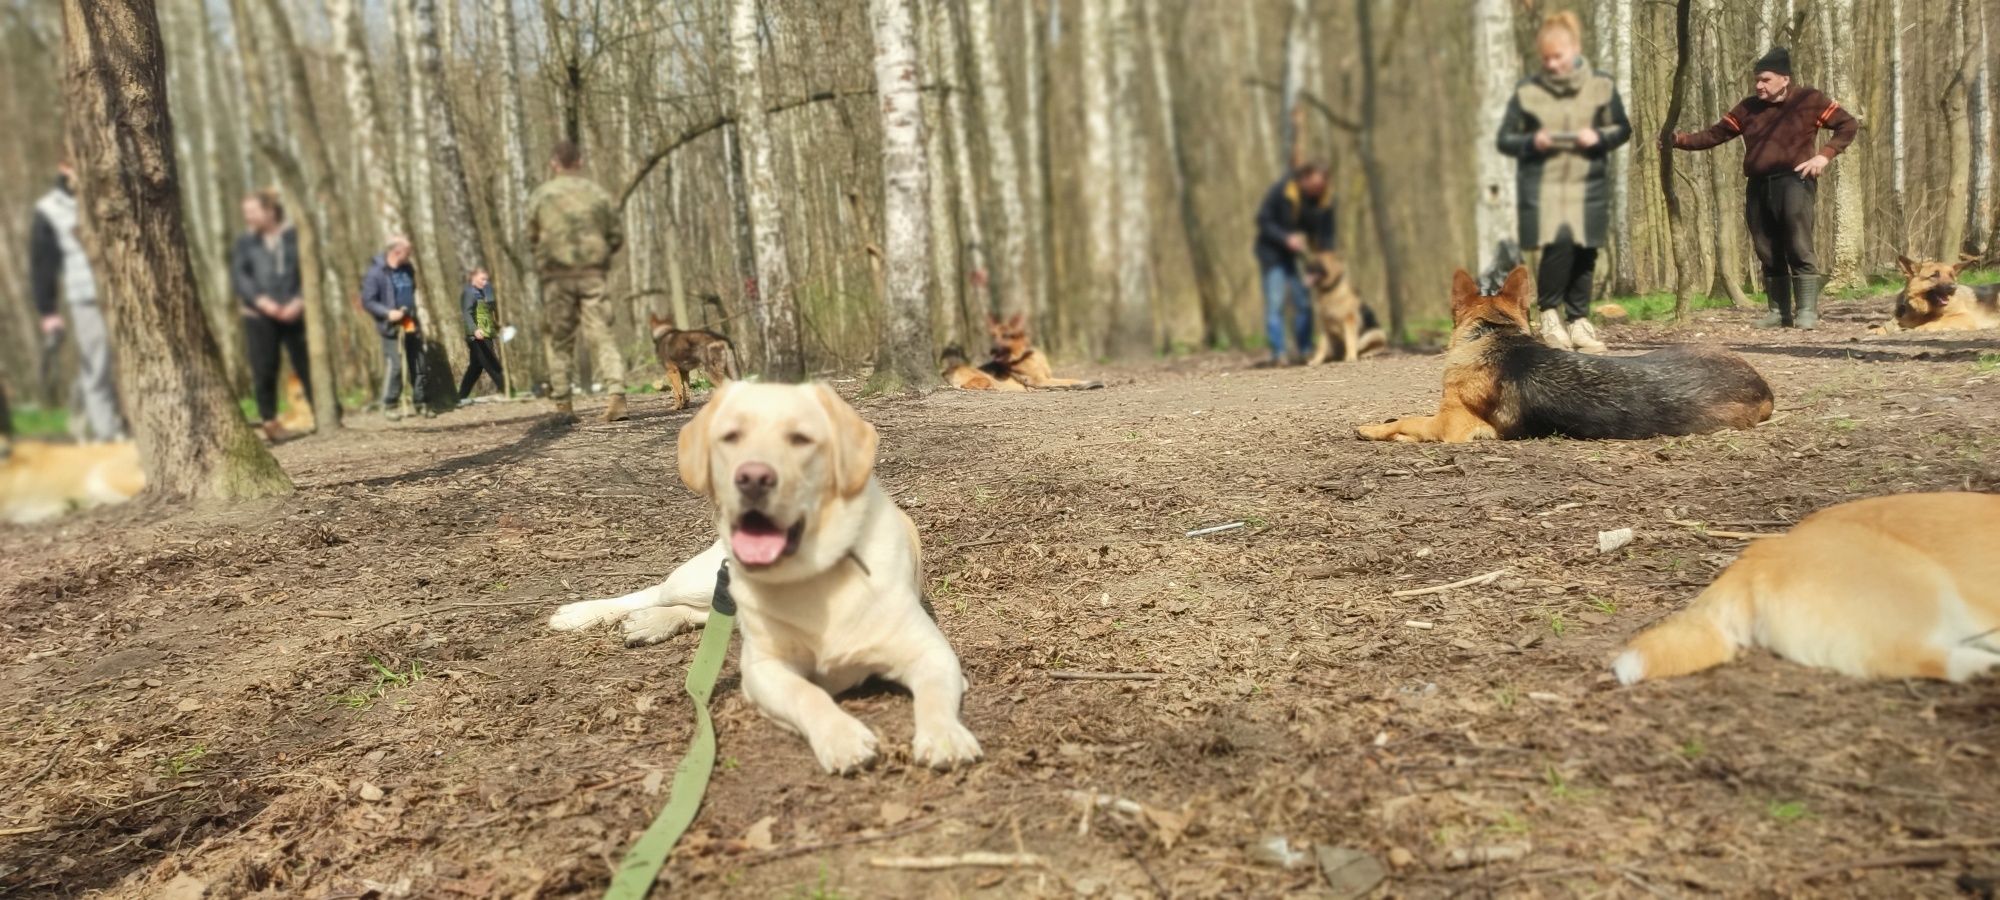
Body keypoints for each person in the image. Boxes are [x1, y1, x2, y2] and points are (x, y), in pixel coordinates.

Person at [1667, 47, 1857, 330]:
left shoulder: (1809, 100)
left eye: (1765, 79)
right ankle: (1779, 311)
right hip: (1757, 185)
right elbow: (1713, 135)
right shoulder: (1748, 108)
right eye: (1757, 80)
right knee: (1766, 248)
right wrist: (1676, 139)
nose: (1759, 85)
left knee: (1798, 244)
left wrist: (1824, 156)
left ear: (1784, 79)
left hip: (1795, 180)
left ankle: (1807, 311)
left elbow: (1848, 124)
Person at [1496, 11, 1631, 354]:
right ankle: (1550, 314)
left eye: (1558, 56)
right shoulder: (1528, 92)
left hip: (1589, 182)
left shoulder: (1600, 85)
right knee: (1560, 243)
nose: (1552, 64)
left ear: (1574, 49)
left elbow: (1622, 129)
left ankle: (1579, 319)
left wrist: (1597, 136)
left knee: (1586, 250)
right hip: (1547, 184)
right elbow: (1506, 139)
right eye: (1546, 58)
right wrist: (1532, 141)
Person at [525, 141, 626, 423]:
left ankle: (564, 405)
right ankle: (616, 394)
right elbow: (616, 236)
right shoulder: (597, 195)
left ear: (553, 163)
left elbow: (532, 236)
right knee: (602, 333)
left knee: (560, 340)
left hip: (558, 277)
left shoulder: (542, 196)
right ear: (579, 162)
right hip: (593, 274)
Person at [30, 161, 126, 442]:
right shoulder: (49, 209)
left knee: (125, 362)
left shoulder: (107, 194)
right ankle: (107, 434)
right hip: (85, 296)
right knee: (98, 364)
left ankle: (106, 418)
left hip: (122, 293)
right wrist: (48, 311)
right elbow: (42, 264)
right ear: (63, 167)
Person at [231, 189, 311, 441]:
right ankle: (269, 421)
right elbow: (240, 276)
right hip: (259, 315)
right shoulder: (245, 243)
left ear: (270, 211)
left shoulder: (294, 236)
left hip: (295, 311)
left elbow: (307, 269)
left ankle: (322, 414)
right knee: (264, 367)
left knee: (305, 363)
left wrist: (299, 300)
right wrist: (262, 302)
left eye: (253, 211)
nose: (248, 217)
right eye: (246, 213)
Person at [1252, 161, 1336, 366]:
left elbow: (1327, 236)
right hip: (1272, 253)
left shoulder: (1324, 201)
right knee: (1276, 302)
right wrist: (1284, 238)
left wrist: (1325, 261)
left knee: (1304, 303)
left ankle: (1305, 350)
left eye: (1322, 186)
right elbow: (1263, 220)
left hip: (1301, 256)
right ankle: (1278, 353)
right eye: (1315, 185)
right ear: (1304, 179)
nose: (1319, 190)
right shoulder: (1282, 191)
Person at [359, 237, 430, 420]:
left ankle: (421, 402)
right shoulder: (376, 273)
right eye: (408, 252)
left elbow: (412, 290)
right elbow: (368, 301)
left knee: (418, 361)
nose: (411, 255)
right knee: (396, 365)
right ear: (397, 251)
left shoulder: (408, 269)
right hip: (390, 324)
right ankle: (390, 404)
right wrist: (388, 313)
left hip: (409, 320)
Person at [457, 268, 505, 402]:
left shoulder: (483, 293)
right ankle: (507, 390)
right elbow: (467, 313)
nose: (485, 282)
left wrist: (498, 327)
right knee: (492, 363)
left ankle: (460, 397)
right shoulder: (468, 293)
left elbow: (488, 314)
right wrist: (474, 330)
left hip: (486, 333)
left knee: (475, 368)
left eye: (486, 279)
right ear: (473, 278)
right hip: (476, 336)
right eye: (482, 279)